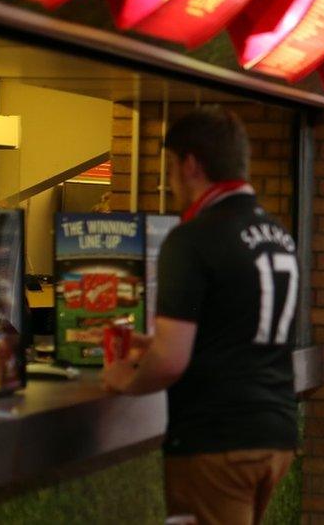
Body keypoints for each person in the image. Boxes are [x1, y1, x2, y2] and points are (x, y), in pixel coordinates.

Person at [102, 106, 298, 525]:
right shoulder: (279, 235)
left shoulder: (192, 238)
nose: (169, 181)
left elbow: (171, 362)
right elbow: (237, 333)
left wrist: (126, 379)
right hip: (275, 434)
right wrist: (153, 344)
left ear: (190, 164)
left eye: (170, 167)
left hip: (217, 441)